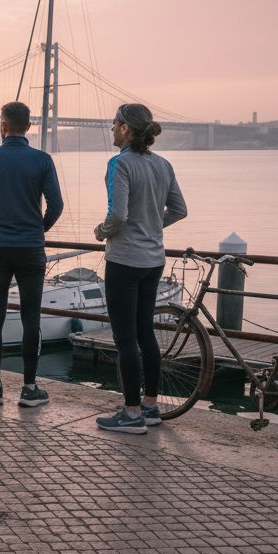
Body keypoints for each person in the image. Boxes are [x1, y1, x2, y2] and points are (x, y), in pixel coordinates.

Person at [93, 103, 188, 434]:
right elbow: (179, 209)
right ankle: (150, 406)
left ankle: (131, 413)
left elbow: (117, 215)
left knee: (125, 338)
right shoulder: (163, 164)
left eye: (114, 123)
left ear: (124, 128)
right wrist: (152, 225)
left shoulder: (119, 164)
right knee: (146, 332)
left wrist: (102, 231)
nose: (111, 128)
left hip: (125, 260)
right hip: (154, 261)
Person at [0, 101, 64, 408]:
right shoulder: (43, 161)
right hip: (30, 249)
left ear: (3, 126)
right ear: (29, 127)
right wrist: (39, 228)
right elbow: (56, 206)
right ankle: (29, 389)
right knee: (30, 317)